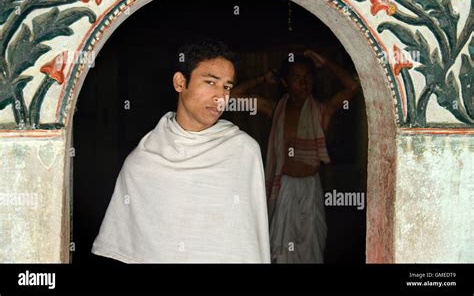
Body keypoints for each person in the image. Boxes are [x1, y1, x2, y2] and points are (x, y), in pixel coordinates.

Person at [91, 38, 271, 263]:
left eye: (227, 87)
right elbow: (131, 249)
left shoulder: (244, 152)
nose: (220, 97)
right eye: (210, 82)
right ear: (180, 82)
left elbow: (247, 242)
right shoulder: (143, 161)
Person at [231, 49, 359, 263]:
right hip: (284, 189)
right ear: (284, 83)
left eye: (308, 77)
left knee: (311, 249)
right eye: (296, 78)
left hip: (311, 188)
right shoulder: (274, 109)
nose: (303, 83)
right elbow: (233, 97)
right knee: (281, 252)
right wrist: (263, 78)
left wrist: (325, 61)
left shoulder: (322, 111)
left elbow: (353, 86)